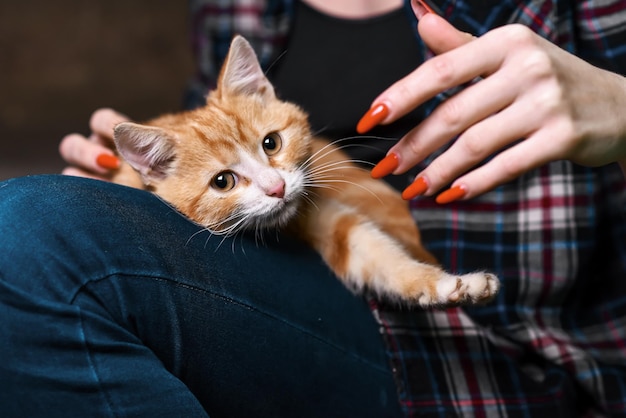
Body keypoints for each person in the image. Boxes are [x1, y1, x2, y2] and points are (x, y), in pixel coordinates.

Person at [2, 0, 625, 416]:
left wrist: (621, 109)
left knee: (29, 236)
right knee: (34, 233)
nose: (273, 181)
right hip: (300, 294)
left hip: (504, 350)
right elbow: (208, 141)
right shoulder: (240, 6)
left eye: (275, 144)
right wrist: (116, 206)